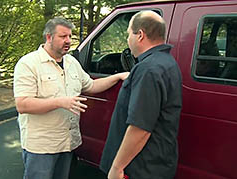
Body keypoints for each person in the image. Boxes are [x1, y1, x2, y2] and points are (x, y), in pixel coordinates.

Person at [13, 17, 129, 179]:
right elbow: (23, 105)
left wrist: (118, 77)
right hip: (41, 147)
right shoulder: (28, 64)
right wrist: (60, 102)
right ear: (49, 37)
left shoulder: (71, 62)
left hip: (67, 143)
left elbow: (91, 86)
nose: (68, 41)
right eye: (63, 36)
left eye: (70, 36)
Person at [100, 11, 182, 179]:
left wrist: (117, 167)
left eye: (129, 34)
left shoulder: (148, 69)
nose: (128, 40)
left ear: (140, 35)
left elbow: (140, 127)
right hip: (156, 163)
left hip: (140, 168)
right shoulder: (167, 63)